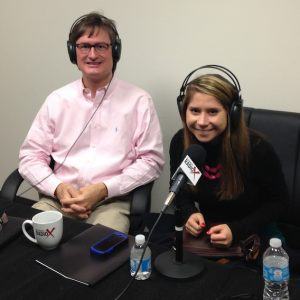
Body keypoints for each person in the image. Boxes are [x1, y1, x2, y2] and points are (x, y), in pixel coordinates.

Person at [18, 12, 164, 233]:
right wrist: (58, 189)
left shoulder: (139, 101)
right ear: (72, 52)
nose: (92, 54)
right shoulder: (57, 100)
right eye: (84, 46)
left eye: (101, 46)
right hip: (58, 200)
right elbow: (30, 157)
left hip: (111, 204)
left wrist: (103, 189)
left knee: (99, 257)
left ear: (115, 51)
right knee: (24, 245)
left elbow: (151, 161)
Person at [170, 72, 288, 247]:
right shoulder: (183, 143)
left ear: (232, 113)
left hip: (256, 230)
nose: (202, 121)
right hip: (208, 232)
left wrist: (237, 229)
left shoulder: (257, 149)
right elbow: (180, 191)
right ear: (183, 110)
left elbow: (278, 202)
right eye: (195, 110)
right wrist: (190, 213)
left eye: (212, 112)